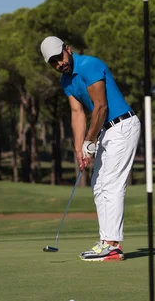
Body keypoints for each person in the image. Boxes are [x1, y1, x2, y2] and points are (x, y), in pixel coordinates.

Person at [40, 36, 141, 262]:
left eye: (60, 57)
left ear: (68, 49)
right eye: (53, 62)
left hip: (122, 125)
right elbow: (77, 114)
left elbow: (101, 107)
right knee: (99, 185)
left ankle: (113, 246)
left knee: (111, 184)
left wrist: (90, 141)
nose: (59, 64)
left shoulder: (89, 65)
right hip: (105, 130)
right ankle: (106, 241)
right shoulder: (66, 82)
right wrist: (79, 148)